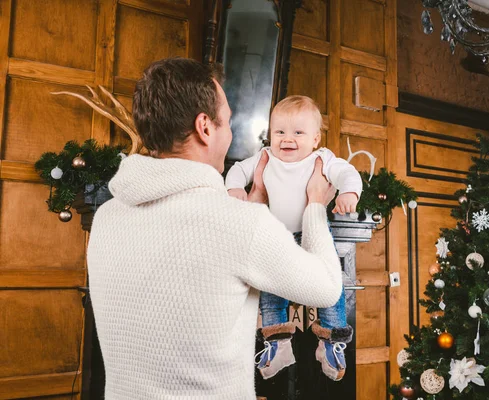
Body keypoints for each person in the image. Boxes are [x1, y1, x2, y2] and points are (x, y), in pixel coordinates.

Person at [86, 58, 342, 400]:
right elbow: (326, 289)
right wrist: (314, 206)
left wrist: (250, 209)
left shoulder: (106, 217)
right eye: (228, 122)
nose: (231, 133)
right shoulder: (241, 224)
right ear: (205, 127)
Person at [225, 95, 362, 381]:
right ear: (270, 136)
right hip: (276, 236)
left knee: (330, 286)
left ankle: (331, 341)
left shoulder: (321, 158)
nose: (287, 139)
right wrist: (235, 188)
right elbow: (238, 170)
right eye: (280, 132)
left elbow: (347, 172)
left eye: (298, 132)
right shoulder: (266, 157)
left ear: (315, 139)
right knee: (270, 289)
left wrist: (349, 192)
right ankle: (278, 344)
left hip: (313, 234)